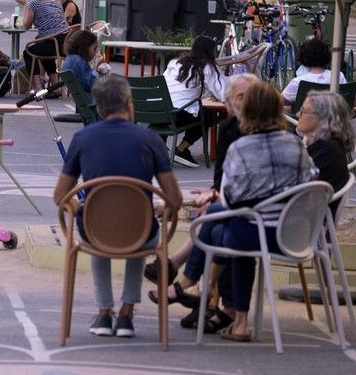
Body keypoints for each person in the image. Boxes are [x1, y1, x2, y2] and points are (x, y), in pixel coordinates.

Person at [52, 76, 182, 338]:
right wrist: (157, 207)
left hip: (95, 231)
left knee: (97, 223)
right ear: (129, 103)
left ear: (98, 108)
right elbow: (175, 199)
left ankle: (103, 312)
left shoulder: (82, 138)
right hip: (141, 230)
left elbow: (60, 195)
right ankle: (126, 314)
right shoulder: (150, 139)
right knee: (139, 231)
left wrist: (82, 207)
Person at [144, 73, 259, 333]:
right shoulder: (231, 128)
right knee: (217, 220)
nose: (245, 103)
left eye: (249, 97)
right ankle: (206, 299)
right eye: (239, 98)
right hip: (245, 208)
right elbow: (223, 179)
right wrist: (216, 193)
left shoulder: (268, 136)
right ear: (230, 103)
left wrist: (219, 197)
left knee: (220, 222)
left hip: (259, 215)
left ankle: (190, 282)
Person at [214, 82, 319, 342]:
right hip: (292, 236)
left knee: (224, 231)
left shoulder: (240, 148)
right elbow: (313, 185)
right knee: (230, 229)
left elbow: (230, 197)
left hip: (251, 236)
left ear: (247, 110)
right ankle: (204, 292)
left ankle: (237, 320)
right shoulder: (297, 146)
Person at [162, 36, 225, 167]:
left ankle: (160, 147)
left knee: (181, 105)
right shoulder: (207, 67)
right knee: (208, 115)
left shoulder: (175, 63)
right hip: (177, 114)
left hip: (158, 110)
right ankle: (181, 149)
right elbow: (224, 92)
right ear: (210, 51)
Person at [297, 91, 354, 214]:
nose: (297, 114)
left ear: (322, 118)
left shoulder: (327, 150)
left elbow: (297, 188)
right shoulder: (330, 146)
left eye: (303, 111)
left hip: (307, 225)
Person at [14, 0, 71, 92]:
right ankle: (56, 86)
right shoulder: (56, 0)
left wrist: (25, 5)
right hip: (66, 43)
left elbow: (26, 26)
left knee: (28, 52)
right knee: (43, 49)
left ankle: (37, 88)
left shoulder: (33, 4)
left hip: (54, 44)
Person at [281, 37, 346, 104]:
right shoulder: (338, 76)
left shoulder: (298, 82)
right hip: (334, 113)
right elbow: (349, 99)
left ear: (303, 56)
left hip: (306, 113)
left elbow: (278, 101)